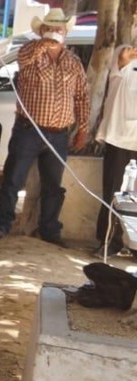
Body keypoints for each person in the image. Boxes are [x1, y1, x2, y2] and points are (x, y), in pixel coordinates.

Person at [0, 9, 90, 244]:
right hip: (29, 130)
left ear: (66, 33)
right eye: (51, 28)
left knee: (54, 186)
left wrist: (82, 128)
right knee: (14, 178)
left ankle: (49, 229)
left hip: (58, 133)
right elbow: (23, 58)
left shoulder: (73, 62)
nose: (56, 33)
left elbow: (82, 97)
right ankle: (1, 224)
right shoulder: (31, 53)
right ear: (42, 31)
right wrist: (44, 43)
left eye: (60, 29)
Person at [94, 44, 137, 254]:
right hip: (119, 139)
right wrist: (123, 62)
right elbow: (117, 73)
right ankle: (109, 241)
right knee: (114, 192)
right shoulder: (126, 53)